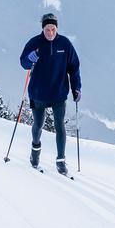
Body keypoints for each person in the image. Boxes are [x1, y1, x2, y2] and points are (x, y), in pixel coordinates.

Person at [19, 13, 81, 175]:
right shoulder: (35, 42)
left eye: (53, 29)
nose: (51, 33)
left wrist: (77, 87)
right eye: (47, 29)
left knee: (59, 126)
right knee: (38, 125)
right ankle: (35, 150)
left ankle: (61, 160)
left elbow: (74, 67)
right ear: (43, 28)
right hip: (38, 93)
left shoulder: (65, 44)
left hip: (58, 94)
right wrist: (31, 57)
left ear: (57, 28)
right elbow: (24, 63)